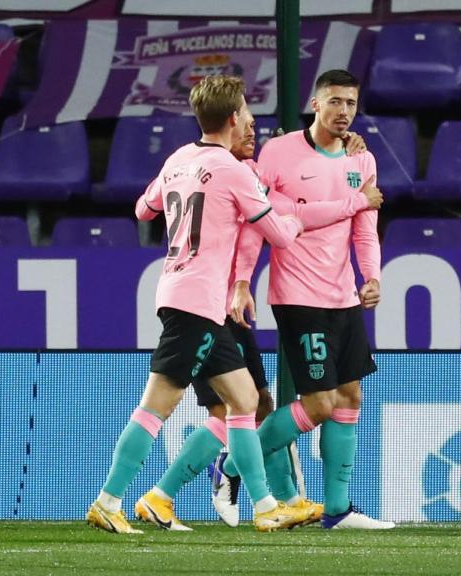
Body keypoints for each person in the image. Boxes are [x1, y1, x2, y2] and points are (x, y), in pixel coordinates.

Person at [87, 74, 315, 535]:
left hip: (189, 297)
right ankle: (108, 501)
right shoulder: (233, 170)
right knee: (156, 407)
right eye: (248, 113)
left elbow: (143, 210)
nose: (251, 121)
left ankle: (267, 506)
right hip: (194, 301)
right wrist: (300, 214)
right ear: (233, 119)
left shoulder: (178, 158)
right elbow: (279, 234)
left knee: (245, 398)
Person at [134, 117, 382, 531]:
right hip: (209, 301)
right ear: (227, 125)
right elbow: (283, 222)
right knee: (228, 407)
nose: (253, 133)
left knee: (257, 405)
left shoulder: (204, 165)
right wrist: (358, 200)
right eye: (246, 125)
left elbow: (145, 208)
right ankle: (163, 494)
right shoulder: (238, 173)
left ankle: (279, 501)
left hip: (223, 300)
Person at [215, 69, 395, 530]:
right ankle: (232, 466)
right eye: (335, 101)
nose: (343, 111)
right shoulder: (277, 153)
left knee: (351, 393)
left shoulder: (363, 161)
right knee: (317, 404)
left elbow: (365, 230)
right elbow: (261, 223)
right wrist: (242, 281)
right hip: (297, 295)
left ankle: (337, 510)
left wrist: (370, 276)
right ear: (315, 103)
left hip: (342, 296)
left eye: (351, 104)